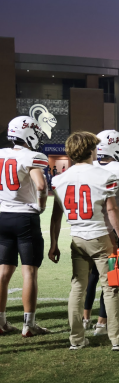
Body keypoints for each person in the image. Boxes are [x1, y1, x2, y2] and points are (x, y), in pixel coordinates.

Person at [48, 131, 119, 351]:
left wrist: (53, 243)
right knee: (110, 288)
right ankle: (118, 339)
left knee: (77, 287)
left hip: (77, 237)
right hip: (100, 237)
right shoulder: (101, 175)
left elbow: (56, 215)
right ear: (90, 150)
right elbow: (112, 209)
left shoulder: (59, 179)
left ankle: (76, 339)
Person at [82, 130, 119, 336]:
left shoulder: (88, 167)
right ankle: (102, 323)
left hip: (89, 228)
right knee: (111, 278)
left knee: (91, 277)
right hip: (113, 229)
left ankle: (85, 318)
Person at [0, 116, 50, 337]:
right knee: (29, 271)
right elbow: (40, 184)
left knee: (3, 272)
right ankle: (28, 325)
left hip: (2, 216)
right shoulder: (33, 156)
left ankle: (1, 322)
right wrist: (40, 205)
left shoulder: (1, 153)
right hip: (24, 218)